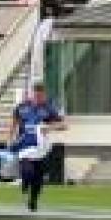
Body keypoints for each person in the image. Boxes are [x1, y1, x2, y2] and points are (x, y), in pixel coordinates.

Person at [8, 82, 67, 213]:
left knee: (38, 178)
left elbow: (63, 125)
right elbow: (14, 123)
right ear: (31, 93)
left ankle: (33, 200)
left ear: (43, 94)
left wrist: (49, 127)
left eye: (40, 94)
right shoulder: (22, 107)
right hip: (25, 146)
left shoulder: (48, 109)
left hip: (40, 148)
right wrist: (10, 138)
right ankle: (24, 184)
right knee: (28, 170)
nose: (38, 96)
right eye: (36, 93)